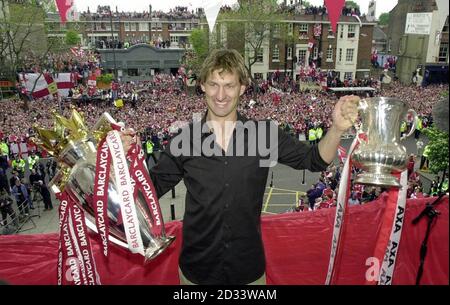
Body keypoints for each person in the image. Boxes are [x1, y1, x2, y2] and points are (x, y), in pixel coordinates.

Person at [120, 49, 359, 285]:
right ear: (202, 85)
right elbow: (145, 193)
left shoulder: (264, 135)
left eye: (229, 85)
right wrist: (121, 162)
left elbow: (314, 160)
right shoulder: (185, 140)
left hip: (248, 271)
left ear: (242, 88)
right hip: (197, 272)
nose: (220, 95)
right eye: (214, 84)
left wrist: (337, 128)